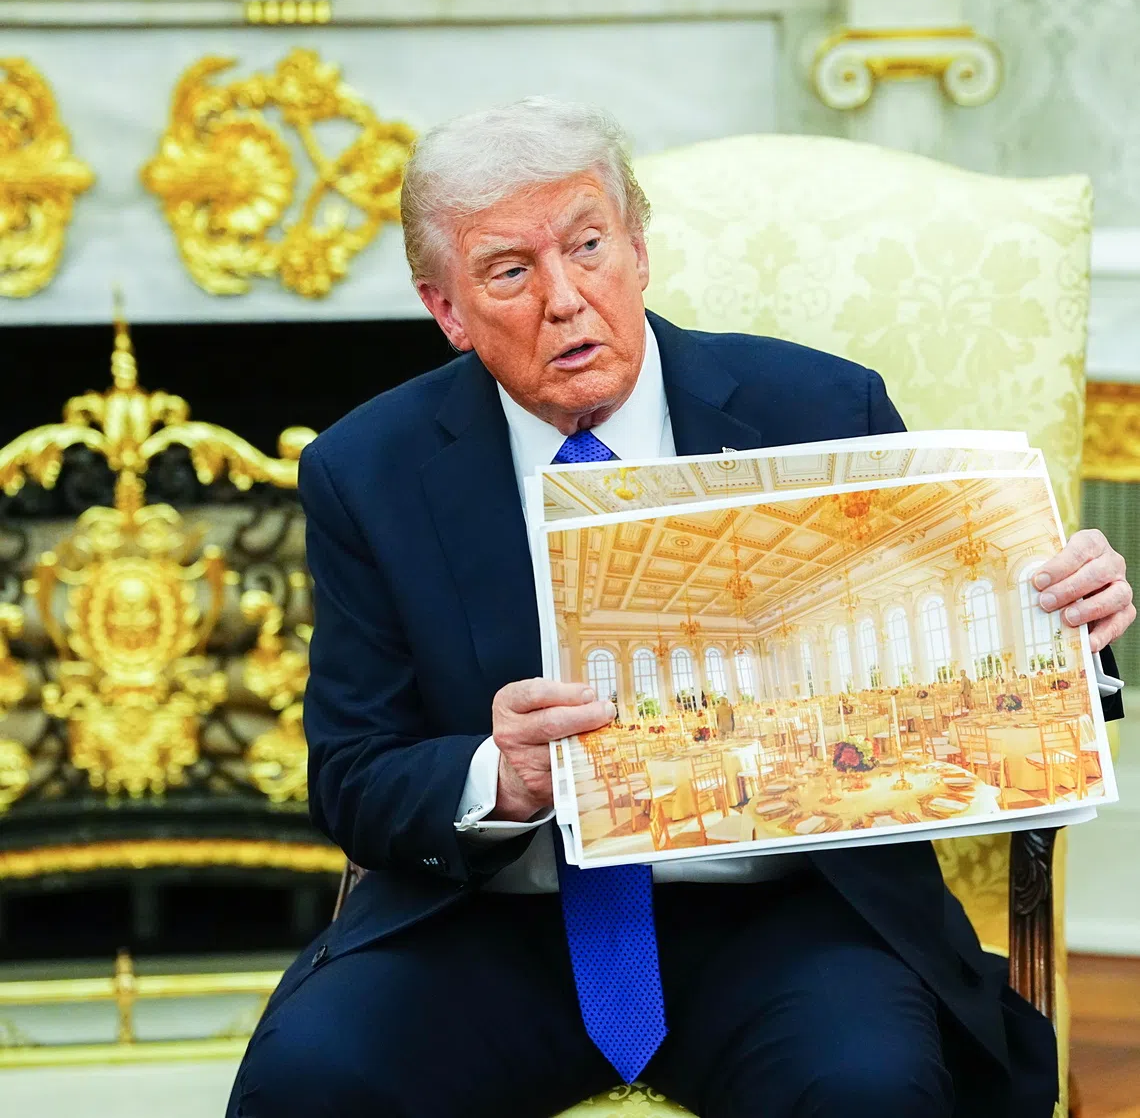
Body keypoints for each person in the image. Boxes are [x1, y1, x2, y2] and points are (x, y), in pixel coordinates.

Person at [227, 99, 1134, 1118]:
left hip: (786, 921)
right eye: (510, 272)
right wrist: (499, 779)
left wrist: (1068, 626)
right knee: (311, 1080)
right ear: (448, 310)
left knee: (867, 1088)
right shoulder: (368, 472)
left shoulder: (822, 413)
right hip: (494, 924)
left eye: (588, 246)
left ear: (640, 249)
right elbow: (353, 774)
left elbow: (960, 668)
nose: (565, 299)